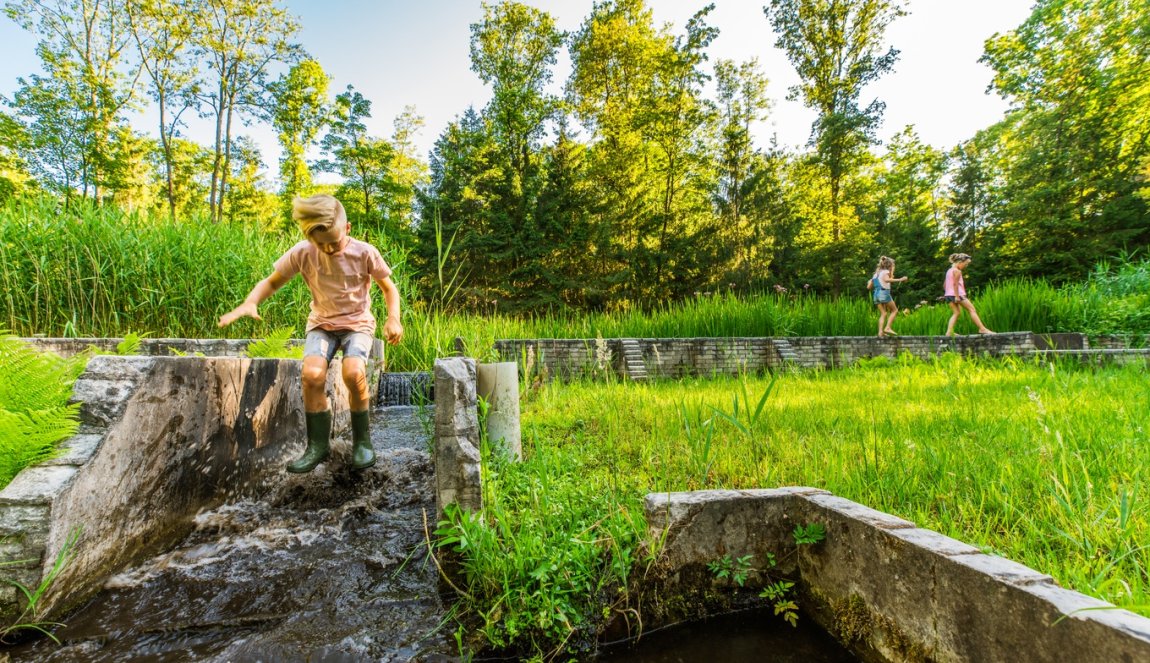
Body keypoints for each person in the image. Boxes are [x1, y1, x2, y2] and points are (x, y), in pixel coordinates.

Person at [219, 194, 404, 473]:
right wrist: (251, 301)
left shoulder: (365, 252)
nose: (328, 249)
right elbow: (273, 281)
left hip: (358, 325)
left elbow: (388, 288)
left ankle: (362, 442)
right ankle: (317, 445)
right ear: (310, 238)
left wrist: (393, 319)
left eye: (335, 242)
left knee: (353, 373)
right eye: (321, 244)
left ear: (348, 229)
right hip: (321, 325)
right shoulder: (302, 253)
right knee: (311, 374)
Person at [943, 253, 993, 336]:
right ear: (960, 262)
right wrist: (956, 296)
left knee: (956, 313)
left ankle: (949, 332)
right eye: (965, 264)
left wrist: (948, 293)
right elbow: (955, 284)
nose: (966, 266)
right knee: (972, 310)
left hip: (948, 295)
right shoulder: (957, 271)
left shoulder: (949, 270)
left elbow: (945, 285)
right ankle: (982, 329)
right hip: (958, 294)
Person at [868, 256, 907, 337]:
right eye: (893, 266)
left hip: (876, 294)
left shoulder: (875, 274)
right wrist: (900, 279)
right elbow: (886, 280)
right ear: (890, 266)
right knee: (894, 310)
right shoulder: (885, 272)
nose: (894, 268)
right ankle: (888, 328)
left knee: (883, 313)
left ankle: (880, 332)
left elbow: (868, 287)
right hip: (884, 293)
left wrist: (891, 274)